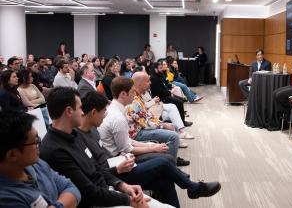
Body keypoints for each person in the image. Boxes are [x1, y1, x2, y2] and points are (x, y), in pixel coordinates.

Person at [80, 91, 221, 208]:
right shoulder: (84, 136)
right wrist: (118, 170)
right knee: (164, 162)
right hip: (114, 172)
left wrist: (149, 147)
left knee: (165, 181)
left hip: (115, 168)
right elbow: (96, 175)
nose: (105, 114)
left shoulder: (93, 130)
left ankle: (189, 186)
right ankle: (192, 187)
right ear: (93, 112)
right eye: (103, 111)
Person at [40, 87, 154, 208]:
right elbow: (90, 193)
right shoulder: (55, 151)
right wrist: (129, 200)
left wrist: (123, 186)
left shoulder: (75, 134)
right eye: (79, 108)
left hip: (105, 192)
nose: (83, 112)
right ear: (69, 111)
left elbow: (98, 171)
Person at [0, 111, 81, 207]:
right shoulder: (7, 199)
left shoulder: (37, 164)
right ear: (13, 155)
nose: (40, 143)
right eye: (35, 141)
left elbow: (72, 188)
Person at [129, 72, 189, 153]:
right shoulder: (134, 101)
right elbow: (145, 124)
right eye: (148, 81)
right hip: (137, 134)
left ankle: (172, 150)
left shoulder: (138, 96)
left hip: (141, 128)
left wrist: (162, 123)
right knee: (173, 136)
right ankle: (170, 162)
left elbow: (147, 116)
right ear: (140, 84)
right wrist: (163, 125)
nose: (150, 83)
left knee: (173, 125)